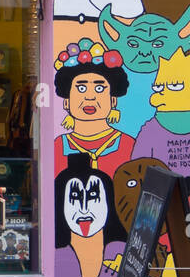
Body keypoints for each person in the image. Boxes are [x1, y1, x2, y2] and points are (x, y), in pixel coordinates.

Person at [53, 40, 134, 177]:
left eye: (99, 88)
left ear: (113, 100)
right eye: (81, 88)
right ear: (66, 101)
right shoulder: (58, 146)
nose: (90, 97)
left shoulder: (129, 145)